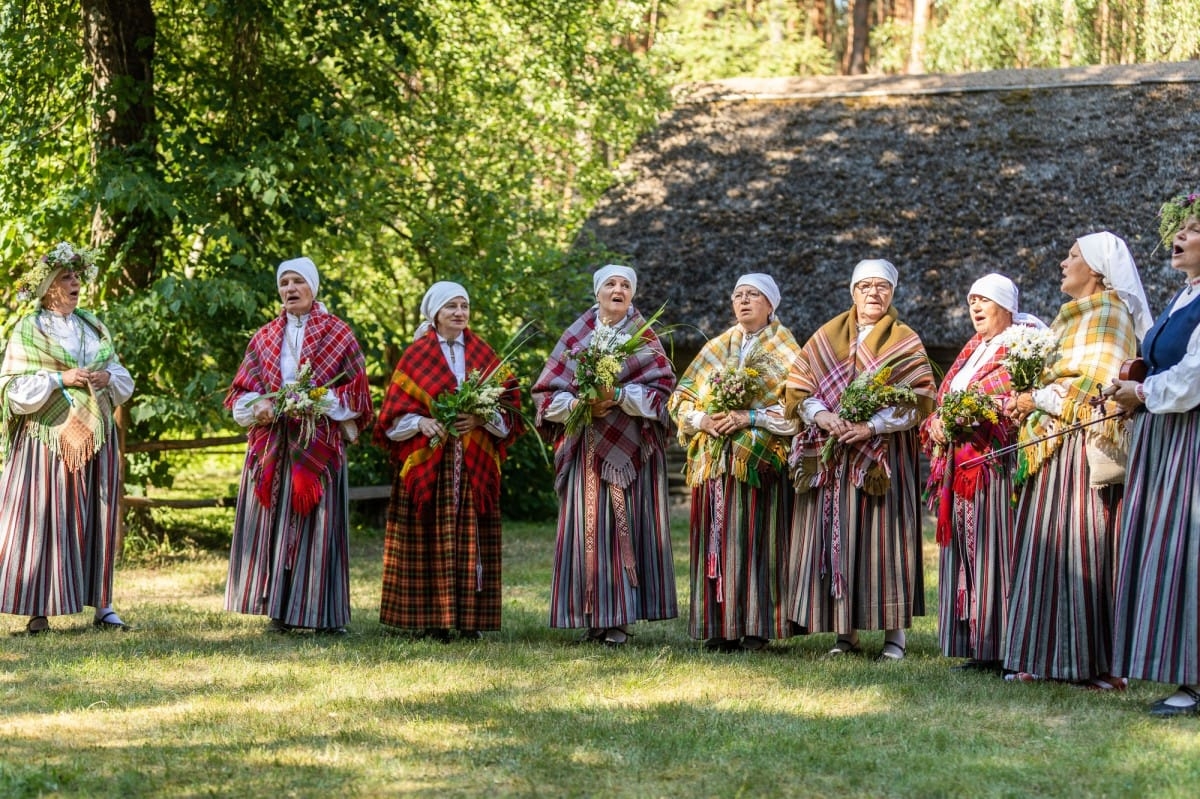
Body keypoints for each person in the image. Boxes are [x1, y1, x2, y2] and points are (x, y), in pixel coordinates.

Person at [1002, 232, 1150, 688]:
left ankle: (1092, 664)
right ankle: (1042, 656)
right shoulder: (1068, 318)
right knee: (1046, 549)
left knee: (1083, 550)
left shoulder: (1109, 313)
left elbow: (1096, 385)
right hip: (1051, 446)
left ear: (1098, 269)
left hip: (1080, 450)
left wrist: (1037, 398)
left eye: (1073, 256)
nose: (1063, 263)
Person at [784, 259, 936, 661]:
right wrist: (823, 416)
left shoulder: (904, 340)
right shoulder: (826, 336)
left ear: (892, 294)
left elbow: (918, 398)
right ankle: (845, 634)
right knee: (843, 537)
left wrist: (872, 426)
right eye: (865, 286)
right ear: (853, 291)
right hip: (836, 454)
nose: (873, 294)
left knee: (886, 541)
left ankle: (895, 637)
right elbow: (799, 386)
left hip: (882, 457)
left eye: (882, 287)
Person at [225, 256, 373, 635]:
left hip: (317, 444)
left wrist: (316, 402)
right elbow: (243, 392)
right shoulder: (264, 337)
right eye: (284, 283)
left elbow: (357, 394)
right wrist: (258, 406)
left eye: (297, 282)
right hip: (275, 443)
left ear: (313, 287)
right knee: (275, 524)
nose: (290, 289)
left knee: (320, 526)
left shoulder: (339, 333)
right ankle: (277, 609)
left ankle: (324, 615)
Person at [532, 265, 677, 646]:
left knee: (624, 527)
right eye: (611, 284)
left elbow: (665, 394)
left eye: (625, 285)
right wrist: (582, 403)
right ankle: (592, 616)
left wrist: (620, 398)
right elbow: (546, 394)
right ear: (597, 293)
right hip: (587, 449)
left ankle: (620, 620)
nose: (618, 289)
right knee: (589, 529)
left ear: (632, 294)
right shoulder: (577, 336)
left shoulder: (645, 338)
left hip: (631, 457)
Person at [374, 282, 522, 641]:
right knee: (429, 535)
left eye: (464, 306)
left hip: (472, 461)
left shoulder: (483, 353)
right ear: (435, 313)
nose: (459, 312)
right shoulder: (417, 355)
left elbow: (509, 403)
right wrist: (422, 422)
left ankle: (470, 620)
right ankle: (433, 619)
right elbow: (393, 416)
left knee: (471, 536)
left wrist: (481, 418)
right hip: (432, 462)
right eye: (451, 306)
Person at [0, 242, 135, 635]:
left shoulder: (94, 325)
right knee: (46, 521)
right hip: (47, 440)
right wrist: (61, 378)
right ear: (47, 288)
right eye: (66, 277)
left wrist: (106, 377)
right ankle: (38, 610)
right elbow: (11, 388)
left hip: (95, 435)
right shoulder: (30, 329)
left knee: (99, 517)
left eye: (77, 276)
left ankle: (103, 606)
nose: (75, 283)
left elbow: (121, 376)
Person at [668, 274, 800, 652]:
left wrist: (749, 418)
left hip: (760, 464)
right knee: (716, 538)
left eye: (753, 295)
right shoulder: (717, 347)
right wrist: (704, 420)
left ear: (770, 304)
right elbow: (683, 398)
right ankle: (719, 626)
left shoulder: (787, 350)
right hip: (714, 460)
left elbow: (795, 410)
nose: (744, 301)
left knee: (760, 541)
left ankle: (758, 627)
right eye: (738, 295)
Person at [920, 274, 1044, 671]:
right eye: (971, 299)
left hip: (995, 465)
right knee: (966, 553)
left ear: (1005, 305)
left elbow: (1012, 398)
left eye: (984, 300)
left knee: (996, 552)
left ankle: (1006, 645)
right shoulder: (974, 347)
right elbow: (947, 398)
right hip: (960, 462)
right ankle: (977, 645)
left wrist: (975, 415)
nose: (974, 307)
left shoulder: (1021, 344)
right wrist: (939, 420)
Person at [1109, 193, 1200, 715]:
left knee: (1190, 549)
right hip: (1168, 437)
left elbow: (1193, 378)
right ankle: (1184, 672)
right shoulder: (1182, 298)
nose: (1178, 237)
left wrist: (1141, 394)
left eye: (1190, 229)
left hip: (1191, 436)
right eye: (1177, 229)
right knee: (1170, 549)